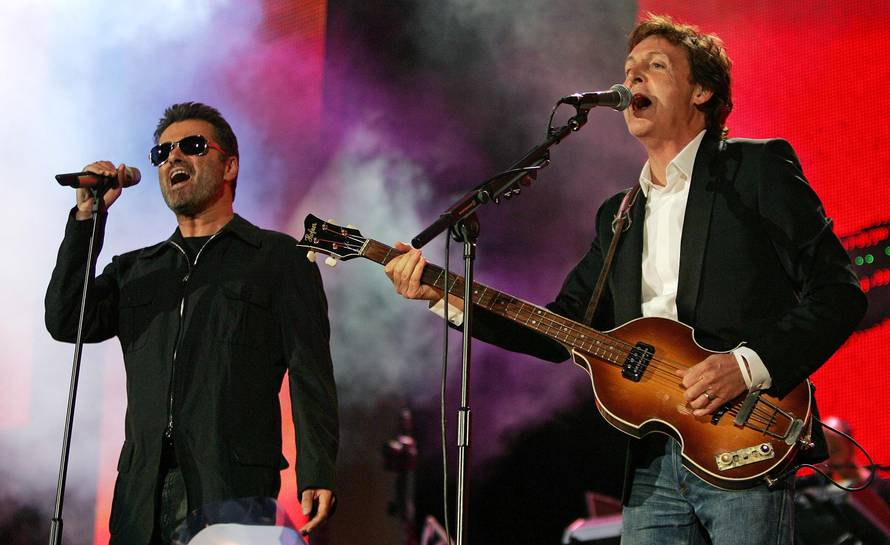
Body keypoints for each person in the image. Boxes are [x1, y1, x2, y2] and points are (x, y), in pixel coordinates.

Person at [384, 15, 866, 545]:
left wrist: (748, 366)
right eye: (629, 71)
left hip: (743, 439)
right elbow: (557, 328)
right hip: (653, 460)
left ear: (702, 90)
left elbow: (838, 293)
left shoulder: (756, 170)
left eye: (654, 68)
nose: (632, 81)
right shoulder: (619, 215)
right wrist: (442, 293)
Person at [45, 102, 339, 544]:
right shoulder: (138, 270)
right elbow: (67, 319)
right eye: (162, 153)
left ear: (229, 166)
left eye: (192, 146)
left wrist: (317, 468)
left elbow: (309, 370)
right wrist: (87, 219)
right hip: (140, 498)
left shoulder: (278, 259)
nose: (174, 158)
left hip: (232, 489)